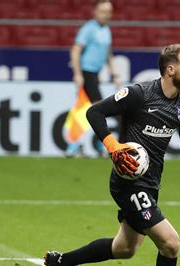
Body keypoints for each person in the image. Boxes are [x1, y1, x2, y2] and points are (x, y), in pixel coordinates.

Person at [43, 44, 180, 266]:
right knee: (170, 243)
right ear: (170, 70)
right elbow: (95, 112)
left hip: (151, 183)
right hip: (128, 182)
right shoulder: (139, 94)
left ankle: (61, 262)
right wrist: (112, 145)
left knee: (124, 249)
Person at [66, 0, 121, 157]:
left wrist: (115, 74)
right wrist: (77, 74)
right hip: (86, 74)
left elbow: (108, 54)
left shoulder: (107, 31)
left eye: (109, 12)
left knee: (83, 111)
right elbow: (75, 51)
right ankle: (100, 146)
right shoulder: (88, 29)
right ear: (95, 12)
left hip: (94, 75)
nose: (106, 15)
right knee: (98, 110)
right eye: (103, 11)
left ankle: (75, 146)